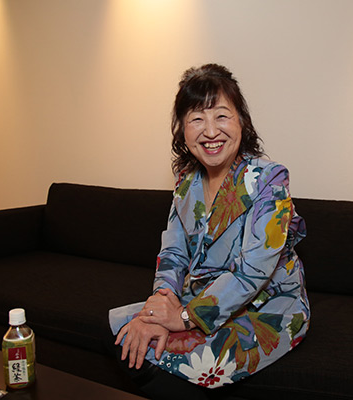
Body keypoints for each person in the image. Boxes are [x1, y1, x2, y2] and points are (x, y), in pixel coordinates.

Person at [108, 64, 310, 399]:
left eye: (221, 116)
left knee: (176, 359)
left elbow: (253, 270)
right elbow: (173, 252)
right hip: (204, 294)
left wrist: (184, 317)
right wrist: (161, 306)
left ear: (241, 121)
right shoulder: (186, 182)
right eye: (197, 118)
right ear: (182, 130)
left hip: (266, 305)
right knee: (126, 336)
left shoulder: (269, 180)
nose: (211, 131)